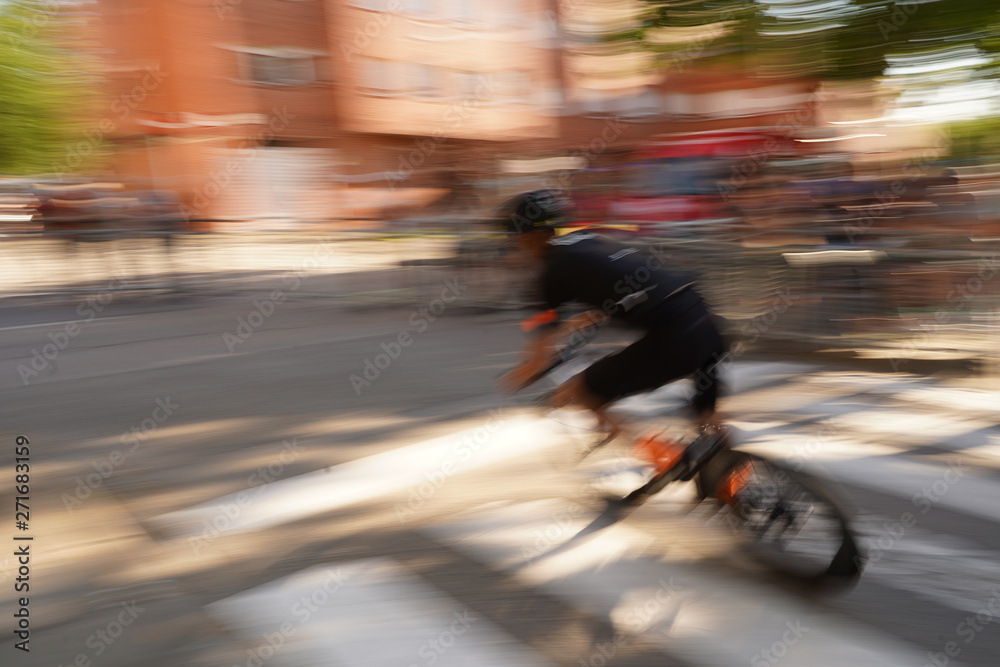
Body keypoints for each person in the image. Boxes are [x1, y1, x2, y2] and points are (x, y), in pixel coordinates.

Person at [497, 189, 730, 502]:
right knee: (709, 421)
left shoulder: (548, 275)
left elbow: (539, 354)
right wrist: (590, 317)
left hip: (673, 337)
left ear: (528, 238)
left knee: (583, 392)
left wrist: (518, 378)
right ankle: (741, 486)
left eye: (516, 240)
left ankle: (668, 459)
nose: (517, 248)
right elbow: (625, 280)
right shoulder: (587, 239)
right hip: (704, 320)